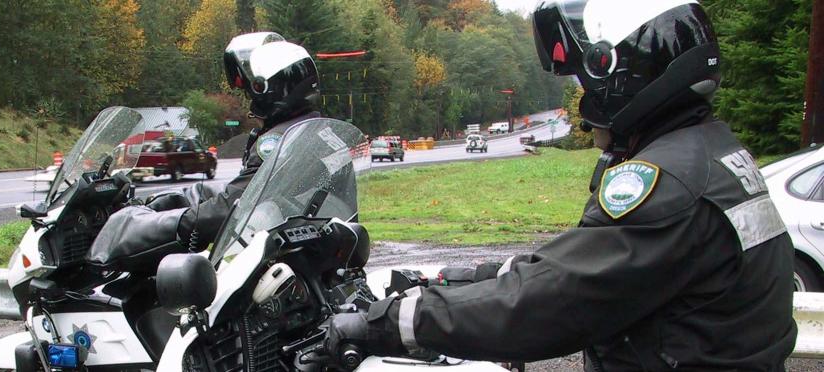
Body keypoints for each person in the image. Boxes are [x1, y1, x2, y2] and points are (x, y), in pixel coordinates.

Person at [326, 1, 797, 370]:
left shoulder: (667, 185)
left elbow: (552, 302)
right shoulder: (710, 154)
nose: (583, 99)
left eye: (585, 82)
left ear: (623, 72)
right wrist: (469, 278)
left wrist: (395, 322)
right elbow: (589, 264)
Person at [88, 33, 324, 264]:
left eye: (251, 94)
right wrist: (163, 203)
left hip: (296, 264)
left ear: (268, 91)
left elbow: (234, 208)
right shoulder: (313, 133)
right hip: (311, 261)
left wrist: (136, 227)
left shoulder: (280, 144)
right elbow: (239, 189)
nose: (250, 103)